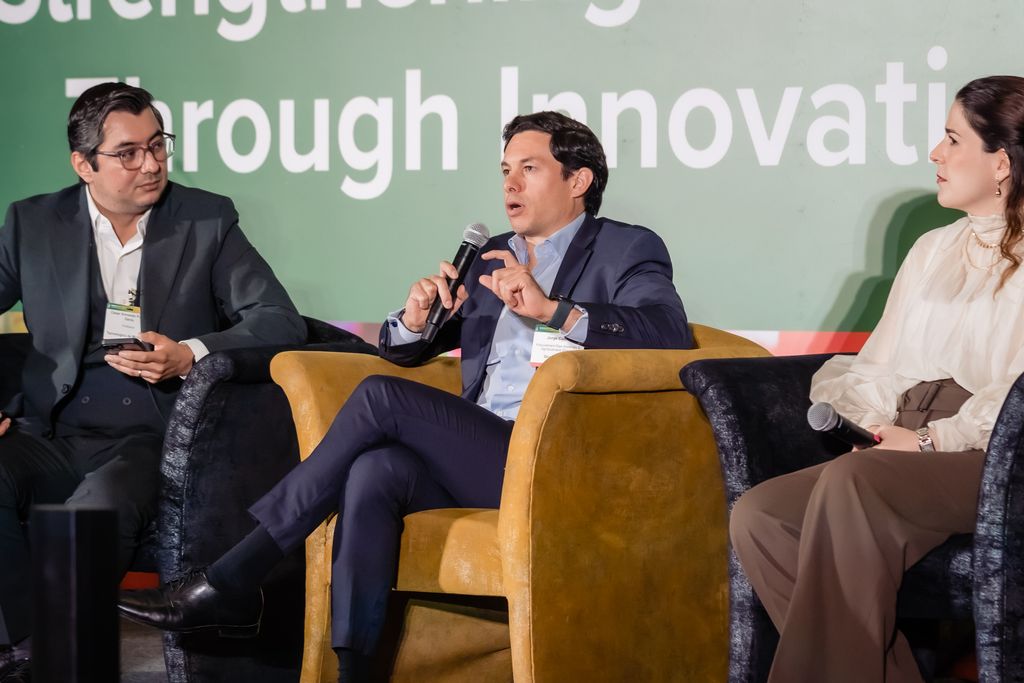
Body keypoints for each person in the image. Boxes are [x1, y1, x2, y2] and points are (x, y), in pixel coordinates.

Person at [118, 111, 693, 680]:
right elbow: (404, 352)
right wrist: (415, 321)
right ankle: (354, 670)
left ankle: (236, 576)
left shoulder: (625, 247)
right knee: (376, 471)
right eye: (504, 170)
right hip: (483, 453)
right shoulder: (493, 254)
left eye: (529, 168)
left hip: (556, 458)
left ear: (578, 180)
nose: (510, 185)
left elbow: (666, 331)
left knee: (380, 398)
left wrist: (553, 310)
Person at [0, 82, 305, 681]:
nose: (152, 163)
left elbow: (278, 318)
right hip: (49, 429)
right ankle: (23, 648)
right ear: (84, 165)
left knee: (92, 513)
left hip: (149, 433)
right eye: (129, 153)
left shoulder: (205, 219)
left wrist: (190, 354)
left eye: (158, 145)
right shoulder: (31, 222)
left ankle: (57, 662)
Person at [729, 75, 1024, 683]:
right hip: (906, 443)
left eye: (952, 139)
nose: (936, 153)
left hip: (995, 456)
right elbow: (878, 365)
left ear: (1001, 163)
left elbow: (1017, 393)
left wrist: (929, 442)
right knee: (762, 514)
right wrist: (871, 427)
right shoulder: (931, 249)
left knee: (854, 482)